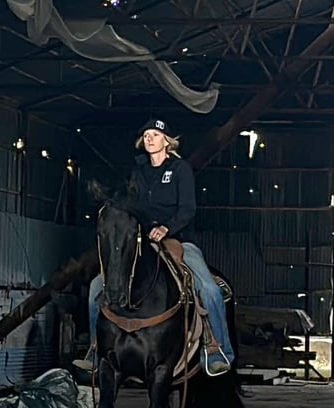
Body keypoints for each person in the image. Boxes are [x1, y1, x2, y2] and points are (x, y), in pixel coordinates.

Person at [74, 118, 234, 376]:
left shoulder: (180, 169)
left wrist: (167, 228)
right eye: (146, 135)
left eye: (155, 135)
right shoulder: (139, 172)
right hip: (144, 238)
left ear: (167, 142)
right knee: (96, 287)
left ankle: (217, 349)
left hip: (177, 239)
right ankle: (95, 350)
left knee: (209, 289)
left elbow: (188, 209)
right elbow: (134, 207)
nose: (149, 139)